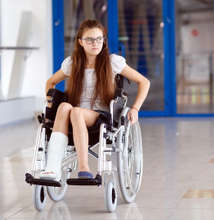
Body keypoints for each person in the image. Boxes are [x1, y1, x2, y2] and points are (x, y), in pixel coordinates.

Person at [40, 19, 150, 181]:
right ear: (80, 42)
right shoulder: (72, 64)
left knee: (75, 111)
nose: (95, 43)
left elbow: (144, 82)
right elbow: (50, 82)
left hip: (101, 116)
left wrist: (135, 109)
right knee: (63, 106)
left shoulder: (112, 62)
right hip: (73, 115)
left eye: (99, 39)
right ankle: (52, 169)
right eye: (90, 40)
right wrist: (50, 104)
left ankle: (84, 167)